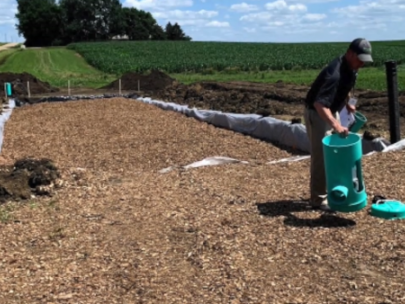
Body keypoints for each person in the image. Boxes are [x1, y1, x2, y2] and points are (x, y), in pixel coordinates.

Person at [303, 38, 373, 211]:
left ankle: (334, 191)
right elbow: (319, 104)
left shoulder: (351, 67)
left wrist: (348, 103)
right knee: (322, 156)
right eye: (360, 59)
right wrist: (336, 125)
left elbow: (346, 87)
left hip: (332, 108)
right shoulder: (334, 74)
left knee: (334, 154)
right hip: (317, 113)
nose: (362, 64)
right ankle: (318, 199)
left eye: (364, 60)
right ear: (350, 53)